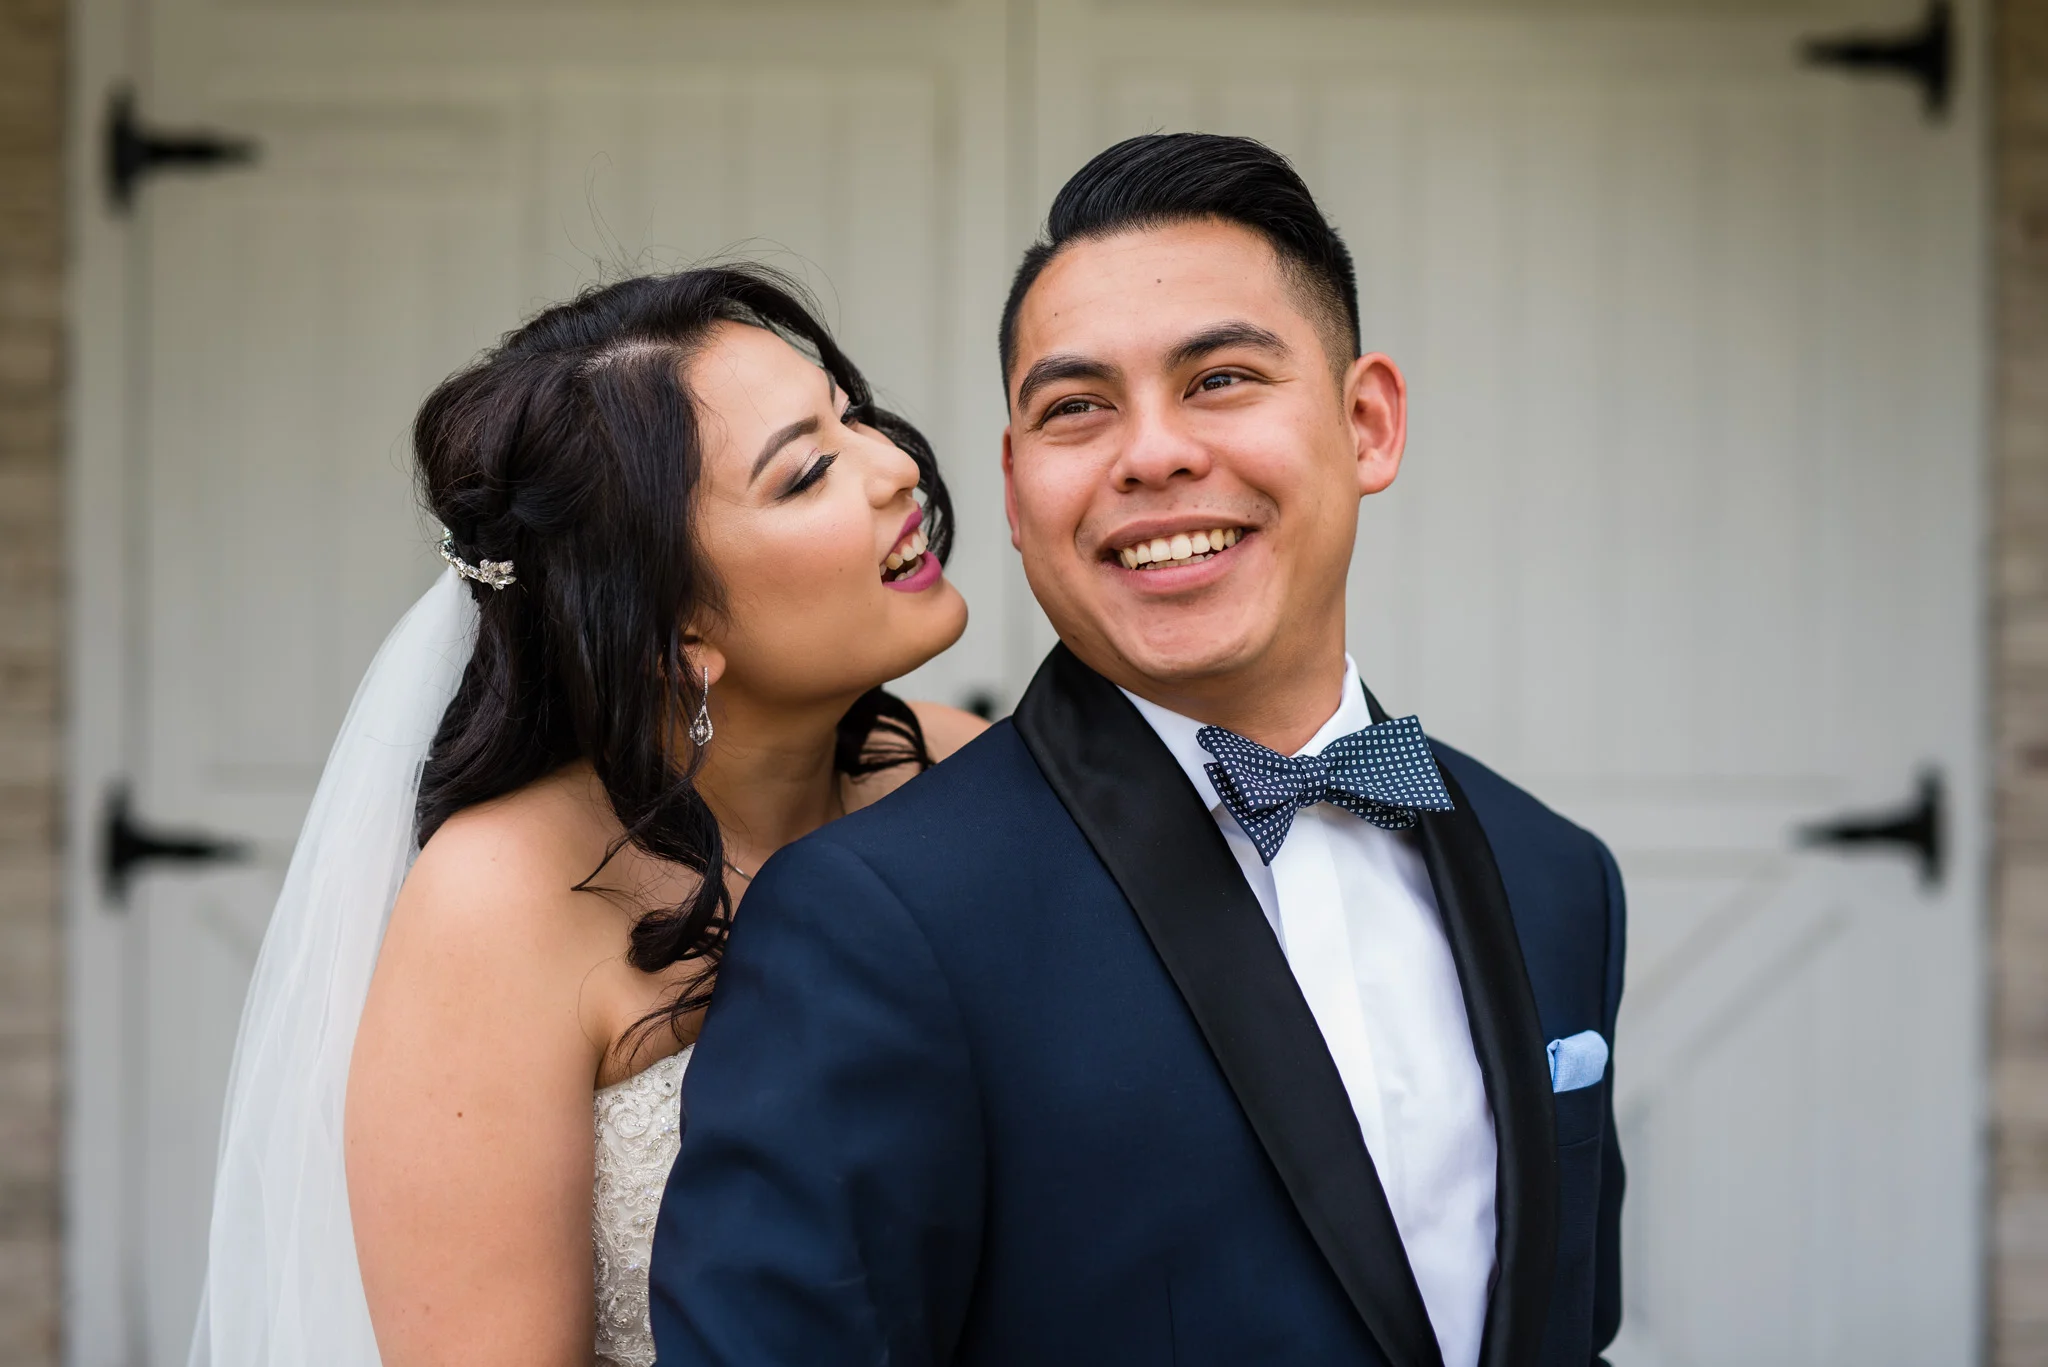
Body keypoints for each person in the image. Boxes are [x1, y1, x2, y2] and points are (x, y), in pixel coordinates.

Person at [649, 133, 1626, 1367]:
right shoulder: (871, 919)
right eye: (1076, 407)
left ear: (1366, 423)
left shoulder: (1556, 874)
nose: (1152, 453)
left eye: (1219, 378)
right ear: (1015, 491)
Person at [188, 267, 985, 1367]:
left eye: (853, 418)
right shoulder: (504, 897)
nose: (897, 468)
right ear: (675, 632)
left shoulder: (962, 769)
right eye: (806, 472)